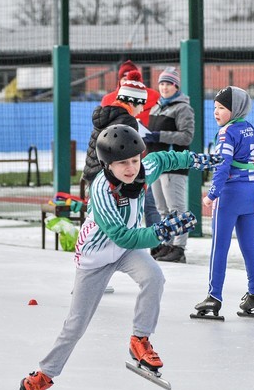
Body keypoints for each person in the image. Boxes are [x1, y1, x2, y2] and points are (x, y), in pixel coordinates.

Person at [12, 124, 222, 390]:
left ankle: (140, 340)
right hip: (96, 257)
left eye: (134, 160)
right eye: (122, 163)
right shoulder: (101, 191)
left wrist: (197, 160)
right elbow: (122, 236)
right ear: (107, 164)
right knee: (76, 324)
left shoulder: (145, 168)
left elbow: (165, 158)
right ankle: (45, 374)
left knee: (154, 277)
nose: (131, 168)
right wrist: (161, 232)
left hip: (125, 250)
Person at [193, 86, 254, 319]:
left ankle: (213, 297)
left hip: (230, 195)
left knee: (220, 247)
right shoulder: (250, 128)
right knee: (249, 246)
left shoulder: (226, 133)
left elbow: (222, 164)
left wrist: (212, 194)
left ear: (235, 109)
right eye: (214, 107)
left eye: (222, 108)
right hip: (252, 193)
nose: (216, 112)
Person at [100, 60, 161, 226]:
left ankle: (154, 243)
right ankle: (133, 240)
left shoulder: (151, 96)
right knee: (126, 205)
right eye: (124, 78)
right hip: (121, 164)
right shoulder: (112, 104)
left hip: (141, 156)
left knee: (147, 203)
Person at [144, 67, 195, 263]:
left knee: (177, 208)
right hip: (157, 164)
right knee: (162, 209)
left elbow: (186, 136)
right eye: (162, 84)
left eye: (168, 84)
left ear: (176, 86)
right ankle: (167, 243)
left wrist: (159, 136)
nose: (164, 87)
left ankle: (179, 247)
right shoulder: (157, 107)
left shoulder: (183, 108)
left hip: (174, 165)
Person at [82, 70, 147, 184]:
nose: (142, 109)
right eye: (141, 104)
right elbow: (126, 155)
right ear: (132, 102)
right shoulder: (128, 121)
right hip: (110, 178)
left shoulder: (107, 115)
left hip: (93, 172)